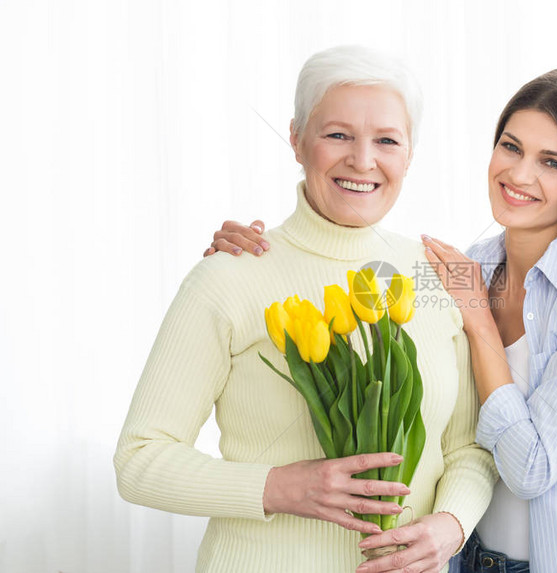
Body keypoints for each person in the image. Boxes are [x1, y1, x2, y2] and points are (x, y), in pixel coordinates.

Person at [212, 69, 557, 573]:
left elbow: (530, 469)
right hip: (459, 557)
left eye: (551, 162)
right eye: (511, 147)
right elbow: (352, 261)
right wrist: (252, 254)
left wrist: (481, 324)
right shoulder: (471, 264)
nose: (518, 174)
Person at [115, 45, 496, 573]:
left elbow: (470, 450)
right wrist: (280, 487)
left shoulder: (439, 274)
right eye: (337, 134)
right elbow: (139, 460)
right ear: (296, 139)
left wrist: (450, 526)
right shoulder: (228, 276)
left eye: (386, 140)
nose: (363, 160)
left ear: (410, 153)